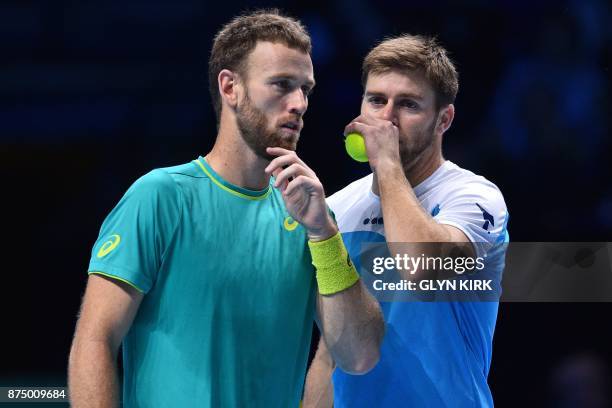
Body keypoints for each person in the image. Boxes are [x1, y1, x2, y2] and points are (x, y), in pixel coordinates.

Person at [68, 10, 383, 408]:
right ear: (230, 87)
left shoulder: (314, 221)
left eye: (306, 89)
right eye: (282, 85)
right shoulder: (160, 197)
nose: (299, 103)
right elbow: (95, 341)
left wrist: (324, 234)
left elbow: (358, 356)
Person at [303, 35, 509, 407]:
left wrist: (387, 163)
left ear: (443, 120)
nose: (386, 118)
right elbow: (329, 353)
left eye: (408, 105)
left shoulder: (473, 197)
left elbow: (422, 267)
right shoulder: (335, 209)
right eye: (376, 100)